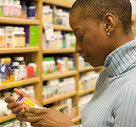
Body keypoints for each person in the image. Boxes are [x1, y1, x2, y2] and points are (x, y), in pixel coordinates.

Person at [5, 0, 136, 126]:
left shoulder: (132, 88)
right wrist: (41, 114)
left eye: (80, 36)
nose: (77, 48)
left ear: (108, 24)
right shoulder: (107, 75)